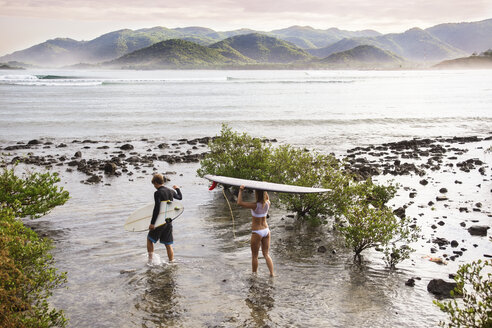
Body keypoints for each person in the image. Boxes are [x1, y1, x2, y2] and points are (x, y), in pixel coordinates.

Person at [237, 185, 274, 276]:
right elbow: (267, 197)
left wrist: (241, 190)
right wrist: (265, 190)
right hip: (266, 230)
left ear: (256, 194)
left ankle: (254, 275)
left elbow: (239, 203)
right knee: (266, 254)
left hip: (257, 232)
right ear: (264, 194)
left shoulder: (254, 205)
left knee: (254, 256)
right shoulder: (268, 203)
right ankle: (272, 274)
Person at [147, 173, 182, 265]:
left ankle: (150, 261)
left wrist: (152, 223)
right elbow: (180, 197)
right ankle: (172, 262)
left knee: (149, 239)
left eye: (154, 184)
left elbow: (157, 208)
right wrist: (177, 189)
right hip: (169, 221)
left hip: (160, 222)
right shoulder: (170, 191)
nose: (154, 186)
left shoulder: (158, 193)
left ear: (155, 182)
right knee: (168, 244)